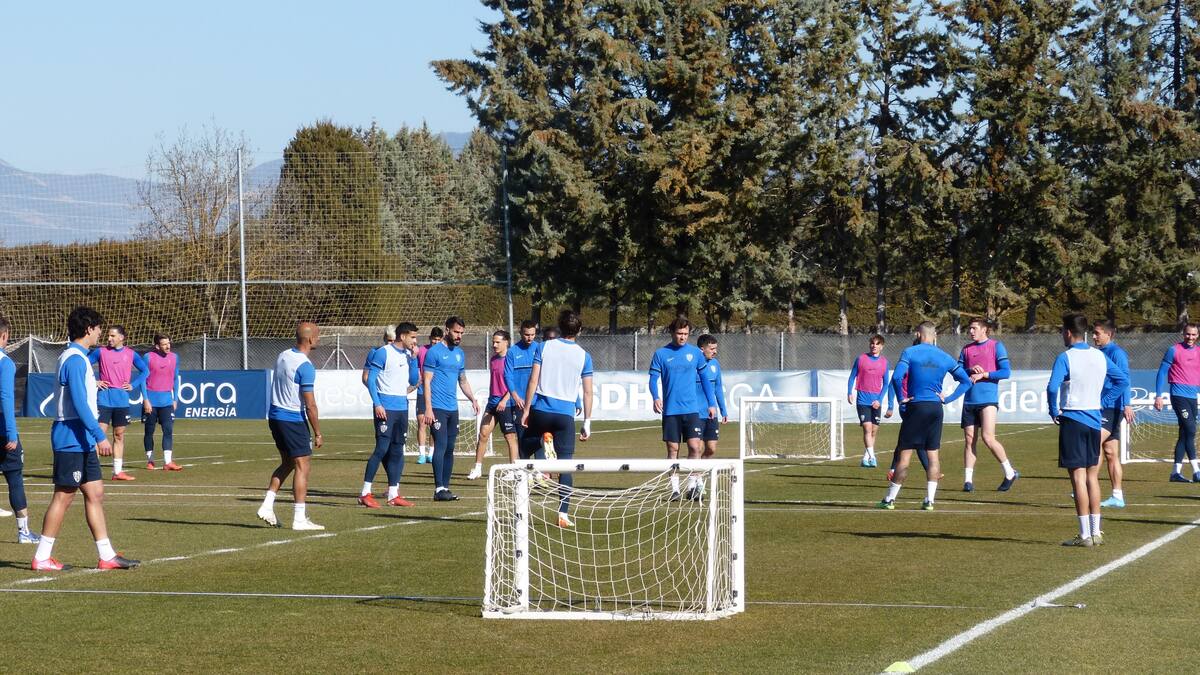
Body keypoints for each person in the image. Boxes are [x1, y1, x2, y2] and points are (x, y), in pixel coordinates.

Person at [33, 306, 139, 571]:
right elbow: (80, 403)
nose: (101, 333)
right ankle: (42, 557)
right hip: (71, 435)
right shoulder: (74, 359)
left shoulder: (78, 356)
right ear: (89, 329)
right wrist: (98, 436)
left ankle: (107, 555)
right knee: (64, 496)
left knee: (95, 492)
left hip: (80, 437)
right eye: (99, 328)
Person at [1048, 314, 1129, 547]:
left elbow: (1053, 386)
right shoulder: (1099, 356)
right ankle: (1096, 532)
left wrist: (1053, 409)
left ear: (1067, 332)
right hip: (1095, 421)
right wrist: (1104, 400)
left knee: (1078, 478)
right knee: (1092, 477)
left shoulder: (1065, 357)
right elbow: (1122, 380)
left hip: (1073, 419)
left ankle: (1084, 535)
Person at [878, 322, 971, 511]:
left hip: (916, 407)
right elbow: (966, 381)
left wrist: (902, 398)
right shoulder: (944, 356)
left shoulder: (910, 352)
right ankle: (930, 500)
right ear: (934, 335)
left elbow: (896, 378)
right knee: (933, 455)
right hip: (936, 408)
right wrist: (948, 398)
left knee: (904, 456)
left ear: (918, 334)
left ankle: (889, 500)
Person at [520, 310, 594, 528]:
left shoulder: (544, 347)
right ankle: (563, 513)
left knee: (523, 454)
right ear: (579, 330)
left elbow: (533, 380)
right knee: (566, 465)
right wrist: (587, 422)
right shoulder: (584, 355)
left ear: (560, 328)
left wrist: (526, 410)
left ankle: (520, 507)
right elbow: (588, 392)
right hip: (565, 414)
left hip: (542, 410)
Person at [257, 322, 325, 530]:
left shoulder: (283, 355)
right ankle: (299, 518)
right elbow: (310, 404)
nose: (319, 339)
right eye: (318, 336)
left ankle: (267, 506)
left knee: (287, 463)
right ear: (310, 339)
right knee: (303, 466)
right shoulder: (305, 367)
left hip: (275, 416)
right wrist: (318, 432)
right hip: (292, 419)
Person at [649, 317, 716, 500]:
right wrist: (656, 397)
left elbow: (705, 380)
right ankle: (674, 489)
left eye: (686, 334)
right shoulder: (661, 354)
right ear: (672, 333)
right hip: (671, 410)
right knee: (673, 449)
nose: (683, 337)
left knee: (695, 447)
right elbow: (653, 379)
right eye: (679, 333)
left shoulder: (695, 353)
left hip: (692, 410)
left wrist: (711, 403)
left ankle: (693, 486)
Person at [359, 322, 419, 508]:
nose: (415, 341)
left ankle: (393, 494)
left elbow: (414, 380)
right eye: (413, 337)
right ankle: (365, 493)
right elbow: (370, 380)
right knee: (381, 449)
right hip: (386, 406)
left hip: (402, 407)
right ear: (403, 337)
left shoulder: (408, 356)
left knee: (398, 449)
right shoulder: (383, 352)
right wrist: (377, 404)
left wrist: (415, 359)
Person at [421, 317, 480, 501]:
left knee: (450, 448)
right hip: (437, 408)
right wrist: (428, 408)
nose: (459, 336)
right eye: (456, 332)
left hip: (452, 408)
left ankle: (445, 488)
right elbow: (427, 381)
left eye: (462, 333)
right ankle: (438, 488)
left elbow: (462, 380)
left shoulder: (460, 354)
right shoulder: (434, 352)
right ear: (447, 330)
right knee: (441, 445)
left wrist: (473, 398)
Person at [958, 317, 1018, 492]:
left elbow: (1005, 372)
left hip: (988, 399)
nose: (970, 331)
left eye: (974, 328)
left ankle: (1009, 472)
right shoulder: (966, 349)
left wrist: (984, 374)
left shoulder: (996, 346)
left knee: (988, 437)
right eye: (969, 328)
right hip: (969, 399)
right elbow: (957, 371)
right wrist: (969, 370)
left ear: (984, 329)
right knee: (969, 440)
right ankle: (968, 481)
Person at [91, 325, 149, 479]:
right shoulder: (100, 351)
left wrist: (134, 385)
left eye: (112, 336)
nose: (109, 339)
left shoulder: (131, 354)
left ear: (121, 337)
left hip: (122, 401)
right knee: (98, 434)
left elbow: (146, 371)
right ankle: (93, 472)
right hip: (103, 399)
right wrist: (94, 381)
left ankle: (117, 472)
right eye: (108, 336)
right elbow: (83, 364)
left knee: (119, 435)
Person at [0, 317, 39, 542]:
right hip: (2, 429)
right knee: (14, 477)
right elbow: (6, 397)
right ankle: (24, 531)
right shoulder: (5, 362)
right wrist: (12, 433)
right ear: (5, 336)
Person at [468, 330, 520, 480]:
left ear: (506, 342)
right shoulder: (493, 359)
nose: (494, 344)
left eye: (498, 342)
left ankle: (513, 470)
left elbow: (514, 384)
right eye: (493, 341)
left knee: (510, 437)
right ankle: (477, 468)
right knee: (483, 433)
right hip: (493, 402)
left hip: (507, 403)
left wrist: (504, 400)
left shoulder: (511, 360)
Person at [1093, 320, 1133, 508]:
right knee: (1110, 452)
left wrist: (1127, 404)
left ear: (1108, 334)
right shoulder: (1097, 353)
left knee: (1093, 441)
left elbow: (1124, 379)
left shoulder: (1117, 353)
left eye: (1097, 333)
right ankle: (1117, 496)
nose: (1094, 336)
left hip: (1111, 407)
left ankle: (1086, 485)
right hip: (1102, 405)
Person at [1155, 322, 1200, 482]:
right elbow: (1161, 373)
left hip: (1193, 397)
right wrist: (1158, 395)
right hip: (1178, 395)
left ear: (1197, 335)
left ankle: (1175, 473)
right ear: (1183, 333)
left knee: (1184, 434)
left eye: (1194, 334)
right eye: (1188, 334)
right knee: (1191, 429)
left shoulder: (1199, 352)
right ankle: (1196, 471)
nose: (1191, 337)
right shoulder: (1173, 350)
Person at [885, 338, 930, 482]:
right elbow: (893, 382)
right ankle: (930, 470)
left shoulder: (922, 366)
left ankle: (892, 470)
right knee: (919, 440)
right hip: (908, 406)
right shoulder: (907, 363)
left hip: (918, 405)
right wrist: (894, 404)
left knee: (906, 440)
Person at [847, 334, 893, 467]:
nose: (874, 346)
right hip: (862, 399)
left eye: (877, 344)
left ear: (881, 346)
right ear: (870, 345)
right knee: (867, 428)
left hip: (876, 402)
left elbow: (886, 384)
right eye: (872, 343)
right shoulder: (861, 359)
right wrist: (849, 392)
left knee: (874, 430)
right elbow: (852, 377)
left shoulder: (884, 362)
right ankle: (872, 457)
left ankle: (866, 458)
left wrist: (879, 400)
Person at [142, 333, 181, 471]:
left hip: (167, 401)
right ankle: (150, 460)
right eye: (164, 344)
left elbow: (176, 378)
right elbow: (142, 379)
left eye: (168, 343)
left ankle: (168, 462)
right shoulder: (148, 357)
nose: (168, 345)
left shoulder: (175, 357)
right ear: (157, 346)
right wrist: (146, 400)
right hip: (151, 401)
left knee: (168, 430)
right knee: (149, 431)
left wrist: (175, 399)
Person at [503, 320, 539, 449]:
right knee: (523, 441)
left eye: (532, 334)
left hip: (537, 402)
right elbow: (508, 376)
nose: (529, 338)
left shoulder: (539, 349)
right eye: (526, 334)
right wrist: (515, 397)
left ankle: (540, 469)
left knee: (538, 440)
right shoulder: (512, 352)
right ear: (520, 333)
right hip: (519, 403)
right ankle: (524, 469)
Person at [696, 334, 728, 458]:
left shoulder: (715, 364)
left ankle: (699, 470)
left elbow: (718, 388)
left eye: (715, 348)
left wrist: (723, 410)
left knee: (711, 449)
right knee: (697, 448)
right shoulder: (692, 365)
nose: (715, 352)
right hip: (695, 413)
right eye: (711, 349)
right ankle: (695, 476)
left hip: (711, 413)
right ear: (702, 349)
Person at [415, 327, 443, 465]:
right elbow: (414, 365)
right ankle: (421, 454)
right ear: (430, 338)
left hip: (436, 393)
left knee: (433, 424)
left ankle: (431, 454)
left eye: (438, 340)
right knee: (421, 422)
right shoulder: (421, 351)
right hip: (421, 390)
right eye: (434, 339)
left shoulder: (443, 352)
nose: (436, 342)